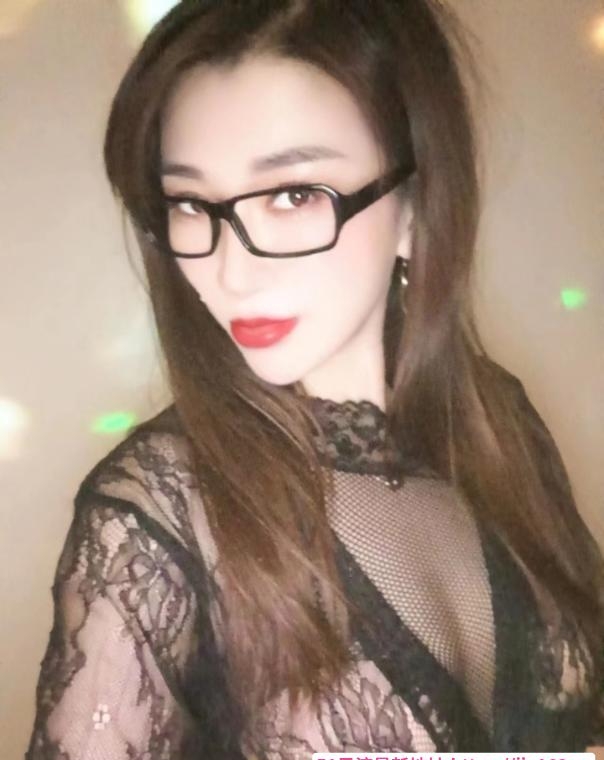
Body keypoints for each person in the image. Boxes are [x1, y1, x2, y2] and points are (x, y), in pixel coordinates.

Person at [26, 1, 604, 757]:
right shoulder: (156, 516)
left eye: (294, 194)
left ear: (415, 207)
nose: (231, 271)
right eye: (190, 204)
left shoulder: (502, 426)